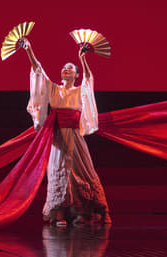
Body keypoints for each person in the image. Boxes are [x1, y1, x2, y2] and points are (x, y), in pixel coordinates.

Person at [20, 38, 111, 226]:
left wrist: (83, 59)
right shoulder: (53, 89)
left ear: (76, 74)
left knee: (81, 171)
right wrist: (29, 50)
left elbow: (88, 80)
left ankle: (91, 211)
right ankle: (60, 213)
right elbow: (38, 71)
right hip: (58, 137)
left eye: (71, 68)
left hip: (74, 136)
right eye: (64, 68)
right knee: (58, 170)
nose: (66, 69)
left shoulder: (80, 91)